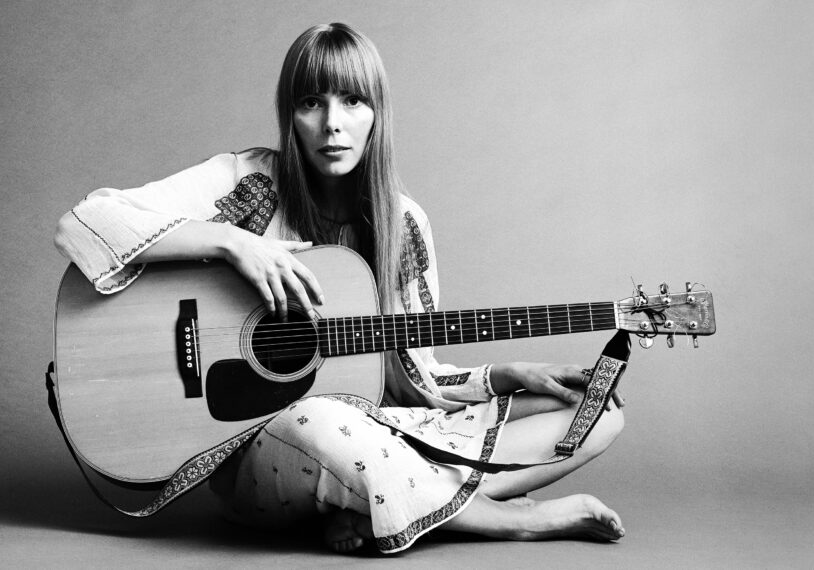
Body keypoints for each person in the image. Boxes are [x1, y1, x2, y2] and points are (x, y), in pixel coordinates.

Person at [54, 22, 625, 554]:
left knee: (595, 413)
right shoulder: (248, 181)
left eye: (353, 101)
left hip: (374, 436)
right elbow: (86, 221)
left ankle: (376, 507)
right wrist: (237, 244)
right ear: (290, 114)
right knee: (326, 418)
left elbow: (413, 378)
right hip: (260, 452)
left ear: (377, 114)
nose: (332, 123)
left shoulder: (403, 225)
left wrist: (504, 375)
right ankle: (513, 518)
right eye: (312, 102)